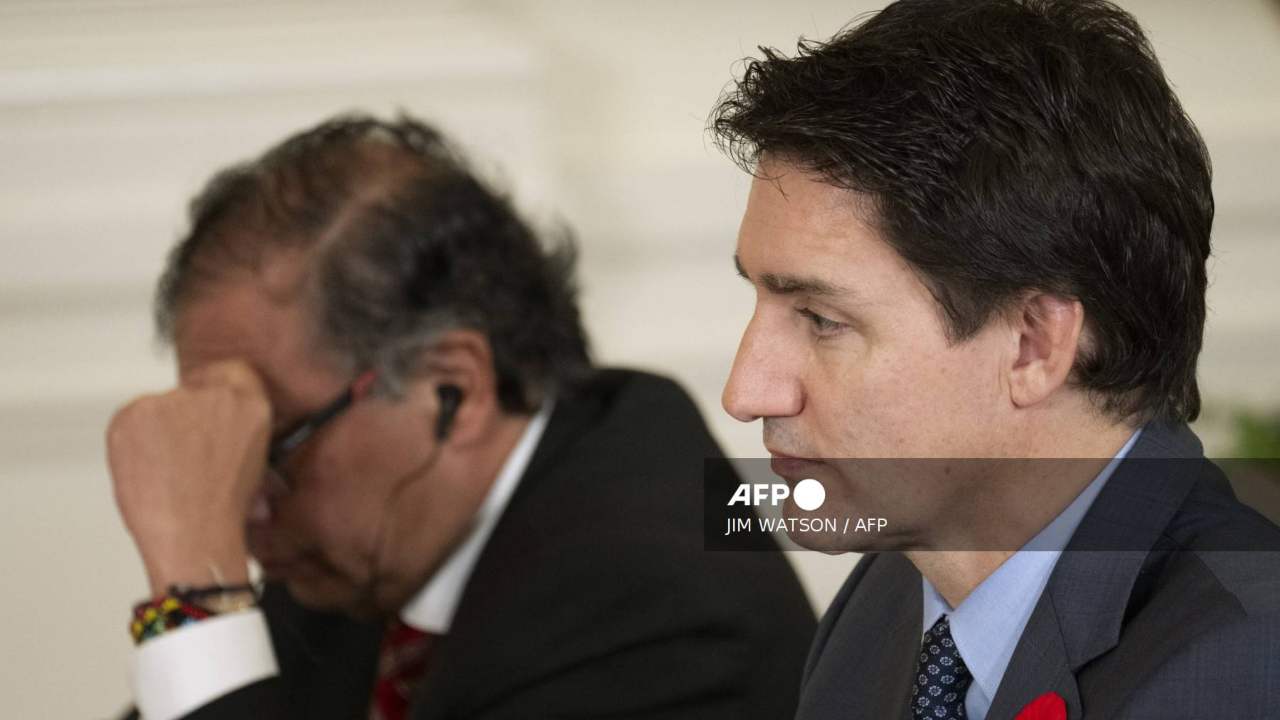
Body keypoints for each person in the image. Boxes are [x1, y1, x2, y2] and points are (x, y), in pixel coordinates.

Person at [107, 113, 816, 720]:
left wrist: (193, 592)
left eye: (269, 442)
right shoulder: (358, 547)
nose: (240, 510)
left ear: (453, 388)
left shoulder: (670, 629)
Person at [709, 1, 1280, 718]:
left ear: (1035, 345)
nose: (746, 392)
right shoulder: (886, 603)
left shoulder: (1246, 669)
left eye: (823, 320)